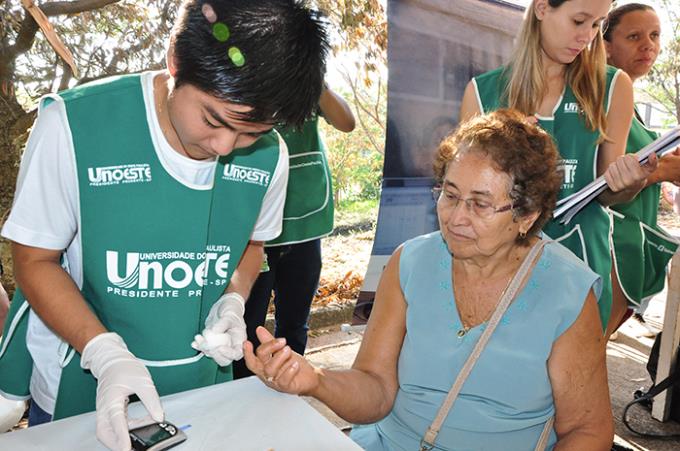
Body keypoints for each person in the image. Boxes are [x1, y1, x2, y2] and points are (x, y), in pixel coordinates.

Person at [0, 0, 328, 449]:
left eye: (250, 132)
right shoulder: (75, 126)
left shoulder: (271, 157)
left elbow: (252, 245)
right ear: (175, 61)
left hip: (202, 391)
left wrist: (233, 299)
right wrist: (104, 353)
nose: (226, 147)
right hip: (77, 387)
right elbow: (35, 260)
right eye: (213, 119)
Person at [244, 110, 614, 450]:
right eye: (449, 195)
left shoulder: (564, 290)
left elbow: (588, 430)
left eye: (480, 204)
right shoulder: (412, 262)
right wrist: (315, 380)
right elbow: (376, 388)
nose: (456, 218)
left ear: (527, 215)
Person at [459, 0, 655, 333]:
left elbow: (609, 196)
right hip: (502, 259)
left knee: (574, 378)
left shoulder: (611, 86)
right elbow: (466, 193)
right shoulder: (483, 92)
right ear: (541, 9)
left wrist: (630, 182)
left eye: (596, 25)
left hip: (581, 256)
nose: (587, 37)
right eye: (578, 21)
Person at [232, 85, 354, 379]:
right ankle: (239, 392)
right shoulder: (246, 82)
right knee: (246, 324)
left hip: (304, 226)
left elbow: (347, 123)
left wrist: (314, 79)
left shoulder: (308, 87)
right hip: (254, 235)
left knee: (294, 324)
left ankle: (289, 384)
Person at [603, 2, 680, 337]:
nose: (648, 44)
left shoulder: (628, 102)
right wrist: (663, 169)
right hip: (610, 247)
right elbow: (601, 177)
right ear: (605, 46)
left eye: (654, 35)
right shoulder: (600, 94)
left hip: (632, 242)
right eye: (633, 36)